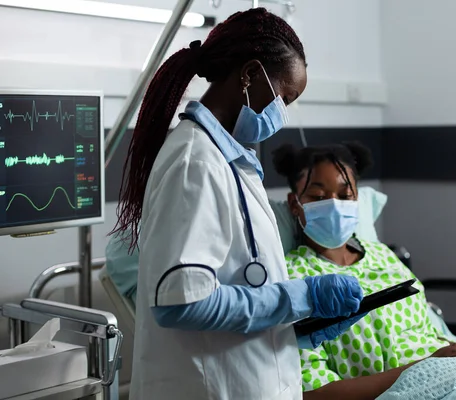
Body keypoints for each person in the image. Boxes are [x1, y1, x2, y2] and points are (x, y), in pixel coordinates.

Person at [111, 8, 365, 400]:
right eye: (284, 97)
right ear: (248, 76)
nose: (282, 113)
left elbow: (240, 290)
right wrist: (301, 296)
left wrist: (297, 325)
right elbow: (180, 303)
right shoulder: (195, 162)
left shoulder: (230, 161)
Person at [271, 142, 456, 399]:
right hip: (423, 386)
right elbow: (315, 393)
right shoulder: (293, 281)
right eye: (318, 197)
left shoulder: (382, 255)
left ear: (357, 199)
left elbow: (429, 334)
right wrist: (430, 364)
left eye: (345, 195)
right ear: (295, 204)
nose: (334, 205)